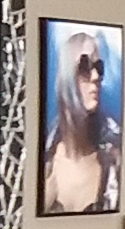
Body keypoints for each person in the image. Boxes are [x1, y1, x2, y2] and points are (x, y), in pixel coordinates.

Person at [43, 27, 119, 216]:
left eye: (99, 67)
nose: (95, 77)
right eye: (84, 66)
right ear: (67, 75)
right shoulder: (45, 155)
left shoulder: (115, 155)